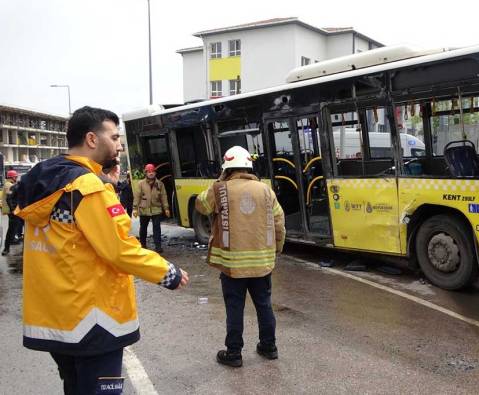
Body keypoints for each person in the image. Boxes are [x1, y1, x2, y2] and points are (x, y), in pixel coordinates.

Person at [14, 106, 189, 394]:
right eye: (115, 136)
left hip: (59, 318)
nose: (119, 144)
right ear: (92, 139)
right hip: (95, 322)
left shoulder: (46, 180)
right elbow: (118, 249)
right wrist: (167, 272)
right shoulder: (87, 187)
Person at [195, 146, 285, 368]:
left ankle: (234, 353)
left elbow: (200, 205)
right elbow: (279, 223)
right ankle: (269, 347)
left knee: (235, 308)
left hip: (232, 266)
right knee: (264, 305)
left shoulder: (220, 189)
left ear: (226, 169)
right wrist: (276, 250)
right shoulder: (266, 191)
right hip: (262, 264)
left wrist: (218, 181)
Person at [135, 163, 170, 253]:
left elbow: (164, 196)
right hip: (144, 209)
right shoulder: (141, 184)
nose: (151, 173)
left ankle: (158, 246)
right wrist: (135, 208)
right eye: (149, 172)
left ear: (155, 173)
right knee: (143, 228)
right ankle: (143, 245)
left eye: (152, 171)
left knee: (157, 228)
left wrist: (166, 208)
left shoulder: (160, 184)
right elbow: (137, 196)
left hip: (156, 209)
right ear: (146, 173)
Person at [2, 170, 20, 256]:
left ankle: (14, 239)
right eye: (15, 177)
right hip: (12, 211)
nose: (16, 178)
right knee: (11, 229)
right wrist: (13, 210)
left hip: (15, 210)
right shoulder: (9, 185)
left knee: (16, 227)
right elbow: (9, 199)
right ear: (12, 177)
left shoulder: (10, 184)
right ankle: (6, 248)